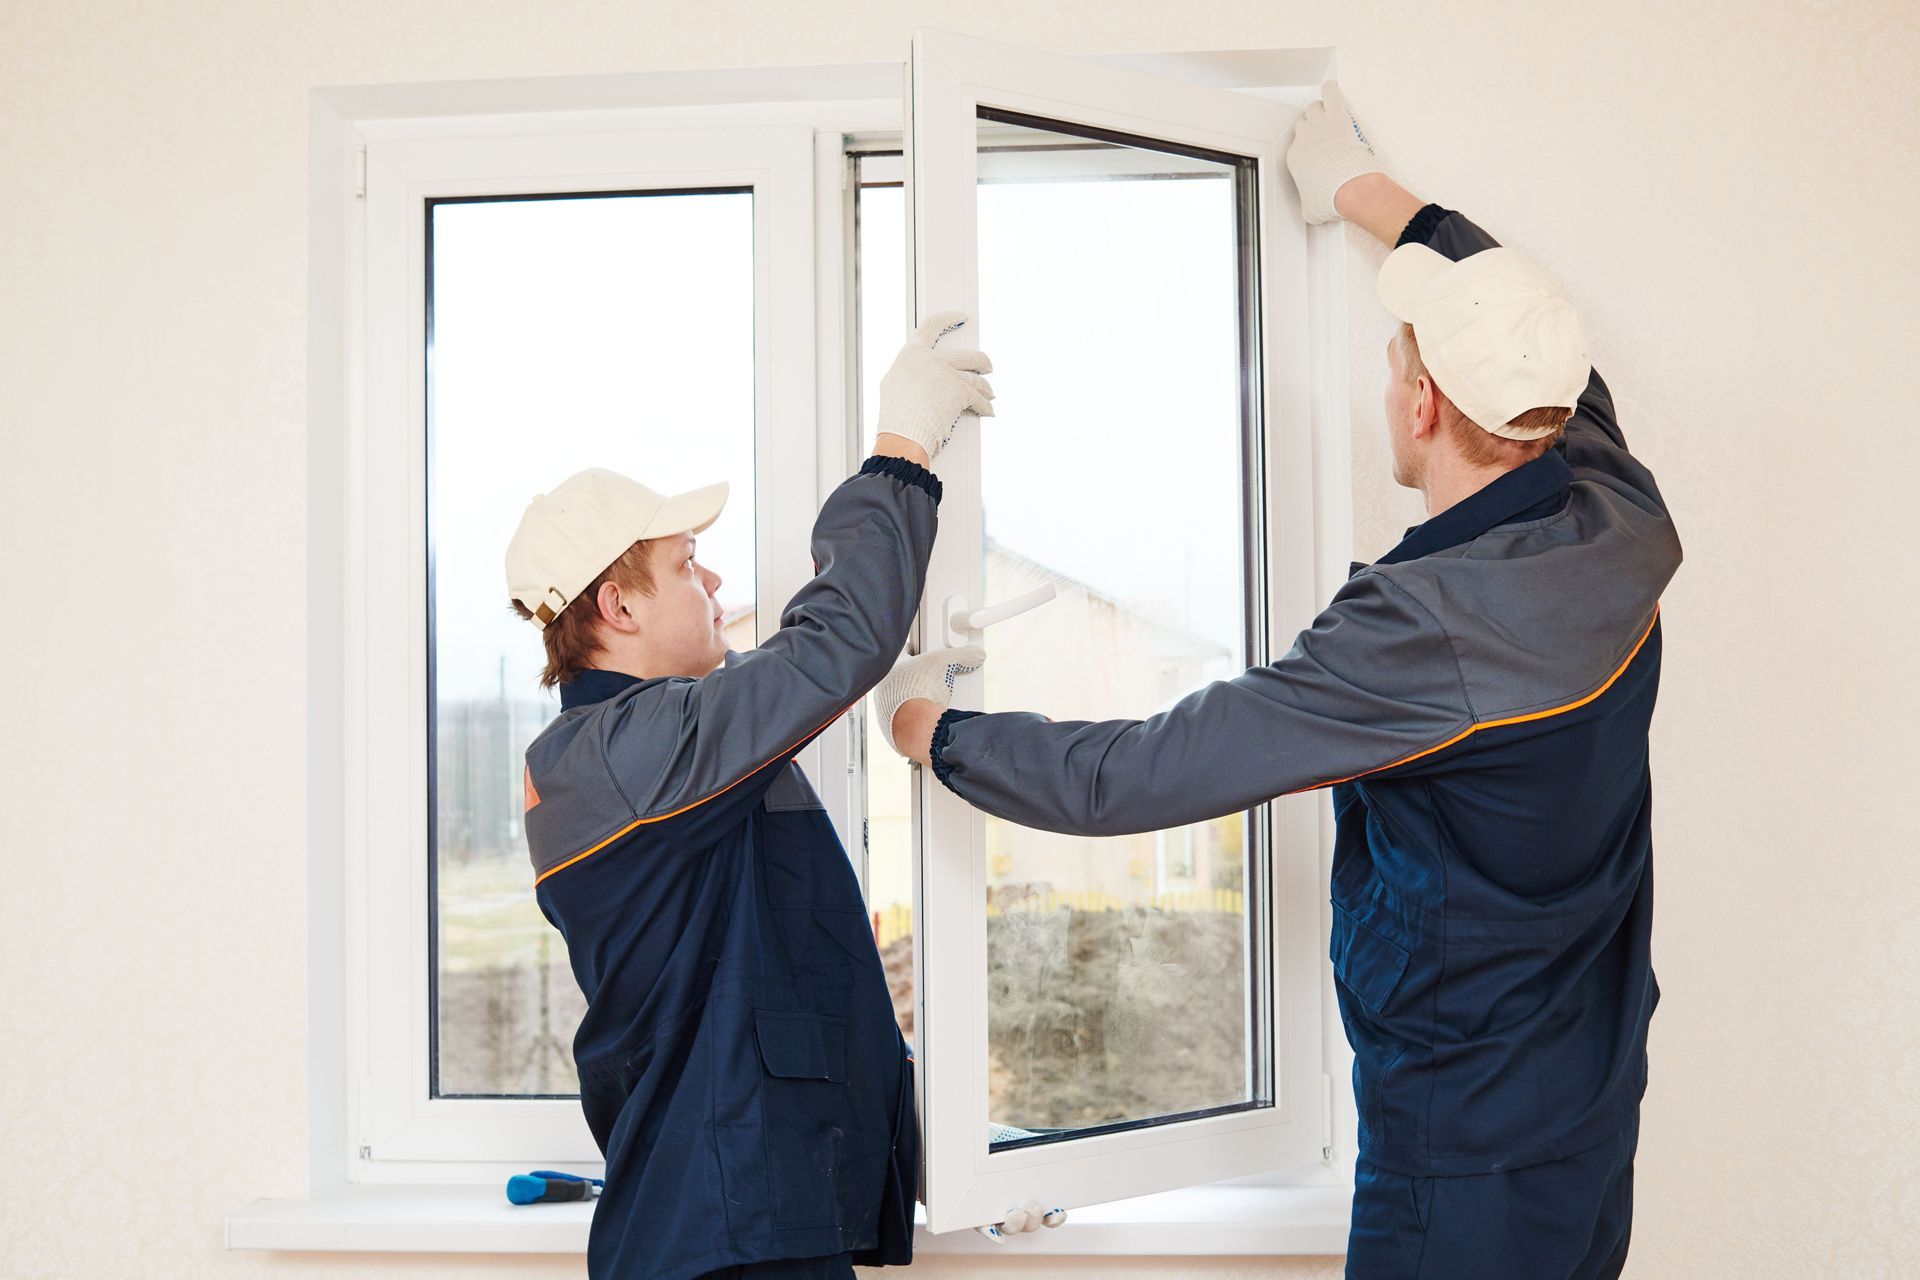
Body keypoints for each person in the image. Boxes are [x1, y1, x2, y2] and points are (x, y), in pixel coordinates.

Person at [875, 84, 1681, 1280]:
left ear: (1418, 401)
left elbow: (1145, 771)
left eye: (1398, 357)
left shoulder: (1426, 629)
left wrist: (939, 734)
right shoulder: (1616, 508)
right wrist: (1370, 195)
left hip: (1458, 1153)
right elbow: (1539, 328)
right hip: (1588, 1107)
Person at [505, 312, 994, 1280]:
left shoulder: (639, 751)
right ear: (621, 606)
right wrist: (901, 450)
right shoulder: (623, 753)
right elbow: (824, 651)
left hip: (731, 1221)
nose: (715, 581)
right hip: (722, 1238)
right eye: (688, 563)